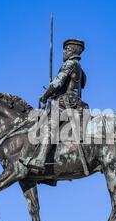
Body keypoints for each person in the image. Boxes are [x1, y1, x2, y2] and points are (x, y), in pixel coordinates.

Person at [26, 39, 88, 171]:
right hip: (75, 103)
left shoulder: (69, 64)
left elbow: (57, 84)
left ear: (72, 51)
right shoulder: (81, 70)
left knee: (49, 125)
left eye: (66, 50)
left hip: (65, 105)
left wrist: (45, 96)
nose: (64, 52)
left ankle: (40, 159)